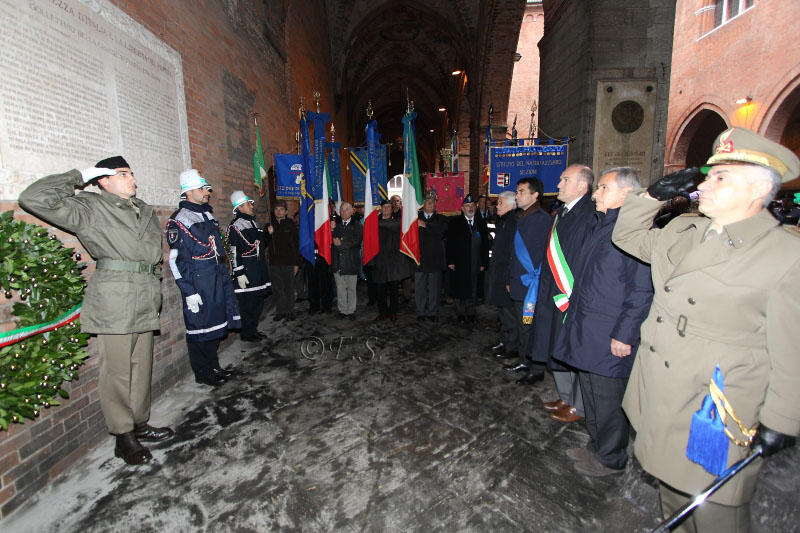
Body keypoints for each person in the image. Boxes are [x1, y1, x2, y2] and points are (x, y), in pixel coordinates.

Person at [612, 128, 800, 531]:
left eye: (721, 177)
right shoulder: (683, 231)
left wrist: (783, 421)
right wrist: (651, 196)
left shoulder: (786, 255)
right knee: (672, 502)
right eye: (710, 175)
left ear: (758, 189)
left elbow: (792, 352)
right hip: (661, 394)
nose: (706, 184)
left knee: (715, 512)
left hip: (713, 411)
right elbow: (626, 235)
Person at [20, 157, 174, 465]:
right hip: (115, 296)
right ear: (103, 180)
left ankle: (139, 422)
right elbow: (32, 198)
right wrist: (81, 175)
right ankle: (123, 436)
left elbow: (152, 255)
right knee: (117, 370)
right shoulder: (90, 207)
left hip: (145, 294)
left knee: (141, 365)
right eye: (123, 174)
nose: (132, 179)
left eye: (131, 173)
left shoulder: (142, 209)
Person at [552, 167, 653, 477]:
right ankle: (596, 446)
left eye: (603, 188)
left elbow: (641, 290)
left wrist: (625, 335)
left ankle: (611, 457)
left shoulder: (634, 233)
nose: (596, 193)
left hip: (610, 333)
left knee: (608, 400)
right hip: (588, 329)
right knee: (593, 395)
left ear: (626, 194)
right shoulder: (605, 225)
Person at [525, 165, 594, 424]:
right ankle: (565, 397)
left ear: (582, 186)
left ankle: (578, 405)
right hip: (553, 291)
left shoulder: (589, 215)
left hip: (570, 294)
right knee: (557, 345)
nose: (559, 184)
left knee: (572, 348)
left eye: (566, 180)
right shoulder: (562, 213)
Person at [166, 169, 240, 387]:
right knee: (200, 328)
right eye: (202, 188)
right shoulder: (179, 220)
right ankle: (203, 372)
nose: (207, 192)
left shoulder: (207, 214)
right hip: (199, 282)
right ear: (189, 191)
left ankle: (213, 366)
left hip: (217, 278)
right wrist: (189, 291)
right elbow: (176, 260)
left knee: (215, 325)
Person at [501, 178, 551, 372]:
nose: (517, 196)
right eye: (517, 192)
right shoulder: (522, 217)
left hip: (532, 285)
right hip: (519, 282)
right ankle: (524, 360)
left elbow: (543, 255)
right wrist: (509, 279)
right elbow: (514, 254)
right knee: (523, 325)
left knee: (530, 326)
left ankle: (534, 367)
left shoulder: (542, 219)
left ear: (535, 194)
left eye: (521, 192)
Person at [226, 191, 270, 342]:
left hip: (258, 269)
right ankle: (247, 333)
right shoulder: (235, 227)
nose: (252, 206)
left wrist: (268, 235)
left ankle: (253, 330)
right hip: (247, 271)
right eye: (248, 204)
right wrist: (239, 273)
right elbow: (233, 251)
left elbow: (260, 246)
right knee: (248, 305)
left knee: (257, 302)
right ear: (240, 208)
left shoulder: (254, 223)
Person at [446, 194, 490, 323]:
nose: (470, 208)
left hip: (475, 261)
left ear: (475, 207)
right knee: (460, 287)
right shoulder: (455, 223)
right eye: (467, 205)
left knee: (473, 287)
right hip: (460, 262)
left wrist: (484, 262)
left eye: (472, 205)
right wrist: (450, 260)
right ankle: (460, 312)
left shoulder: (481, 223)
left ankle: (471, 312)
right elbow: (449, 243)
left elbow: (485, 245)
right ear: (462, 208)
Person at [485, 190, 519, 357]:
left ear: (511, 205)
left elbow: (512, 253)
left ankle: (512, 346)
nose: (497, 206)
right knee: (502, 311)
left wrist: (509, 278)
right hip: (498, 273)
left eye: (500, 203)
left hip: (506, 275)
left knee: (509, 313)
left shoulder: (512, 222)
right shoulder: (503, 221)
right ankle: (504, 341)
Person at [371, 200, 412, 321]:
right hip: (379, 260)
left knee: (393, 289)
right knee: (380, 289)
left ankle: (393, 312)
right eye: (384, 207)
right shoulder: (374, 221)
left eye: (389, 207)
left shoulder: (396, 221)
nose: (387, 209)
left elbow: (393, 225)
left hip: (393, 260)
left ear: (392, 208)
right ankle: (382, 312)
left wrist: (373, 223)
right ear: (381, 208)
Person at [415, 191, 448, 321]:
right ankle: (420, 312)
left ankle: (433, 312)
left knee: (434, 289)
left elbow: (440, 232)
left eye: (432, 202)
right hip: (419, 258)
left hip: (435, 259)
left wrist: (425, 225)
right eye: (428, 201)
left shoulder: (441, 219)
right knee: (420, 288)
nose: (430, 204)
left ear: (436, 204)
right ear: (423, 203)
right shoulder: (414, 218)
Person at [265, 201, 300, 321]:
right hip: (274, 262)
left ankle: (290, 311)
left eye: (281, 209)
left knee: (289, 287)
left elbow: (296, 245)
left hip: (288, 262)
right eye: (276, 209)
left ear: (286, 212)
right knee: (278, 288)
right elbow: (264, 243)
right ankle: (281, 310)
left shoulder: (291, 225)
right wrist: (268, 233)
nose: (278, 211)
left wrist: (297, 263)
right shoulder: (269, 225)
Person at [331, 202, 362, 319]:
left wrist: (341, 243)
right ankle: (343, 310)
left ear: (351, 211)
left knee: (351, 288)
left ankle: (351, 310)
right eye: (342, 210)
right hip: (338, 261)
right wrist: (331, 230)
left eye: (346, 209)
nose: (344, 212)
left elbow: (356, 241)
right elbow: (330, 241)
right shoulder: (336, 225)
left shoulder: (357, 225)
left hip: (351, 261)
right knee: (340, 288)